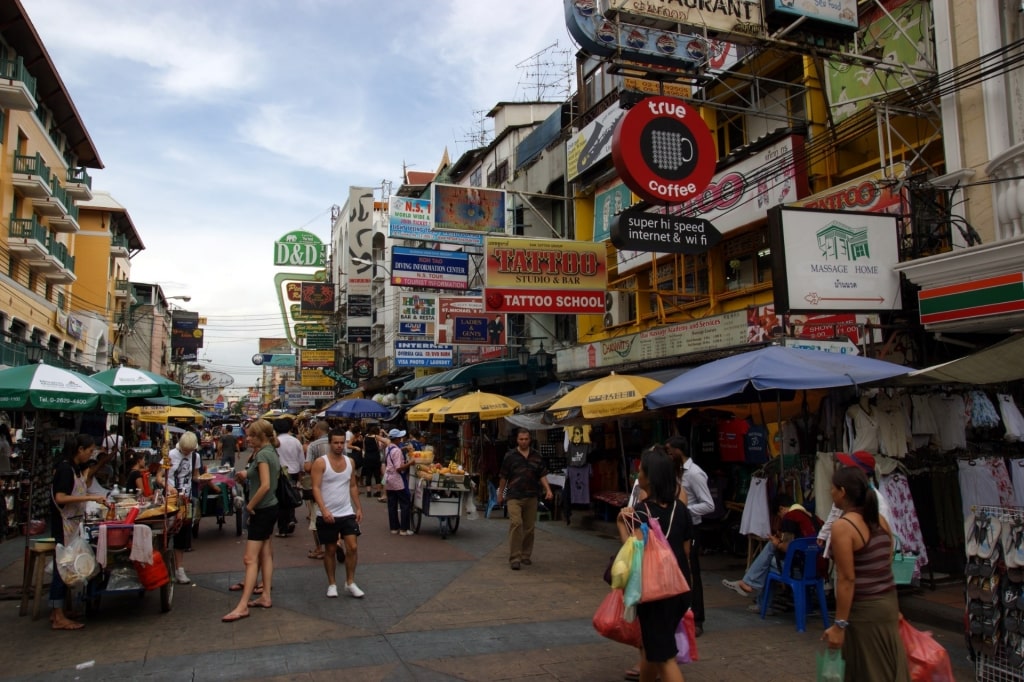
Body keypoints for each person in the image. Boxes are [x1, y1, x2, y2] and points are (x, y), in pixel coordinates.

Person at [821, 465, 910, 681]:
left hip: (864, 611)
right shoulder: (880, 521)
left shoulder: (844, 527)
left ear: (842, 492)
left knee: (870, 670)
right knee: (885, 668)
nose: (830, 493)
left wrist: (839, 625)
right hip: (887, 605)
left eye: (832, 489)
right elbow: (886, 564)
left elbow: (847, 579)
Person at [617, 445, 693, 682]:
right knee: (651, 649)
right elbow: (686, 551)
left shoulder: (640, 512)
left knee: (664, 657)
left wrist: (621, 522)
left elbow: (633, 554)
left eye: (641, 471)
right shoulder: (681, 510)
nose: (637, 475)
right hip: (680, 587)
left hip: (655, 592)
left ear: (650, 478)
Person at [49, 433, 112, 630]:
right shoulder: (65, 470)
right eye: (90, 450)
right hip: (63, 525)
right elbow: (60, 497)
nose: (91, 454)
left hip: (73, 524)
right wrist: (88, 499)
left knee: (66, 567)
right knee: (62, 569)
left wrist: (93, 497)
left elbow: (78, 492)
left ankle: (58, 611)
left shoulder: (74, 469)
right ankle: (58, 616)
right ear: (80, 450)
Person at [721, 493, 823, 611]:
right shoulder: (813, 517)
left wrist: (777, 543)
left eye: (779, 515)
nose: (780, 518)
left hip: (799, 570)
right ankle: (752, 588)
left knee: (768, 559)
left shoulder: (790, 517)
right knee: (769, 558)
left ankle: (753, 589)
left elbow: (787, 547)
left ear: (781, 508)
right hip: (816, 569)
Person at [222, 419, 281, 622]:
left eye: (251, 435)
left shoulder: (264, 454)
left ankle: (242, 605)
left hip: (262, 509)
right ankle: (265, 596)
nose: (247, 439)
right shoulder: (270, 451)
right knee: (265, 553)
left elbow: (264, 485)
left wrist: (249, 506)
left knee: (250, 558)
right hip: (270, 506)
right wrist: (246, 474)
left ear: (261, 437)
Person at [664, 435, 713, 636]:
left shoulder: (694, 473)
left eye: (670, 450)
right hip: (678, 528)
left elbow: (709, 505)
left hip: (691, 528)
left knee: (692, 572)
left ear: (678, 451)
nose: (668, 454)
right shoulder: (675, 472)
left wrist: (684, 510)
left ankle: (698, 618)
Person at [311, 428, 365, 598]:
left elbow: (353, 486)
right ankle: (332, 583)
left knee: (353, 547)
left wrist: (358, 507)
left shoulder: (350, 462)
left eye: (342, 442)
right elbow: (316, 488)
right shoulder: (321, 463)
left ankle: (350, 582)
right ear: (330, 443)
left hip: (346, 512)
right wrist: (324, 509)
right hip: (327, 514)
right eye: (336, 442)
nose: (339, 446)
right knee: (331, 550)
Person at [817, 451, 893, 558]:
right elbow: (834, 514)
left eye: (848, 467)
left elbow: (883, 535)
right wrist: (823, 534)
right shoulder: (845, 494)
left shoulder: (877, 500)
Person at [496, 428, 553, 570]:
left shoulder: (536, 456)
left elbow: (542, 474)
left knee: (529, 528)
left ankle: (526, 555)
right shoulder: (510, 456)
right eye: (521, 439)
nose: (523, 442)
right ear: (517, 440)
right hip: (514, 496)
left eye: (526, 439)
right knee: (516, 523)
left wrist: (548, 489)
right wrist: (500, 494)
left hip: (532, 496)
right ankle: (515, 557)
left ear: (530, 440)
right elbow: (503, 476)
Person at [163, 431, 202, 585]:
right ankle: (164, 568)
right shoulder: (170, 455)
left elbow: (195, 476)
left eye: (190, 451)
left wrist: (203, 480)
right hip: (170, 500)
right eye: (185, 451)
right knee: (166, 533)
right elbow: (160, 476)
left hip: (186, 501)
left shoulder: (195, 456)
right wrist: (169, 487)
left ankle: (180, 570)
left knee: (183, 535)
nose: (187, 453)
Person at [302, 420, 330, 559]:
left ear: (318, 430)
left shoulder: (313, 445)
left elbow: (307, 467)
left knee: (315, 519)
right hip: (335, 488)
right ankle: (335, 542)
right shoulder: (337, 444)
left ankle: (319, 549)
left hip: (318, 486)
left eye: (314, 430)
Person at [274, 418, 304, 537]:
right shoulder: (295, 441)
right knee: (291, 495)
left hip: (280, 474)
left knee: (282, 500)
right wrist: (301, 472)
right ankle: (291, 518)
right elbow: (301, 457)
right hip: (294, 472)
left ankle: (283, 528)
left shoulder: (276, 442)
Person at [382, 428, 414, 532]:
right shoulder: (397, 451)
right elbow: (399, 467)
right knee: (405, 503)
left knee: (392, 504)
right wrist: (410, 463)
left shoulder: (389, 448)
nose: (401, 439)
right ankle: (404, 529)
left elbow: (394, 453)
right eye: (400, 437)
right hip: (397, 479)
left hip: (389, 479)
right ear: (396, 439)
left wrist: (403, 449)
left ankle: (394, 527)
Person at [361, 424, 383, 499]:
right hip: (376, 457)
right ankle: (378, 491)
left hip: (367, 457)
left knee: (368, 475)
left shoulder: (365, 437)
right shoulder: (376, 438)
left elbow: (364, 448)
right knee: (377, 475)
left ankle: (369, 492)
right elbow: (380, 447)